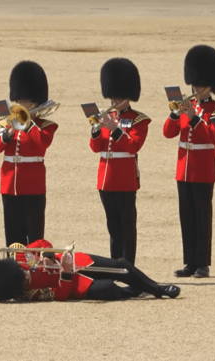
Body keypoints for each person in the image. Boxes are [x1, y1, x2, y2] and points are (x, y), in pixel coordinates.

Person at [163, 45, 215, 278]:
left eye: (201, 85)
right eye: (195, 84)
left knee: (202, 216)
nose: (197, 88)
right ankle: (190, 262)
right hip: (184, 168)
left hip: (202, 169)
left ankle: (203, 262)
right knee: (187, 217)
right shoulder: (186, 106)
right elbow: (168, 133)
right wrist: (175, 114)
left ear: (211, 86)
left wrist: (193, 120)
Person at [0, 61, 58, 247]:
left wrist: (28, 124)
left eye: (25, 102)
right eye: (19, 101)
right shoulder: (8, 122)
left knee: (34, 239)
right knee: (13, 237)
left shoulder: (45, 125)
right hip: (10, 185)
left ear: (35, 103)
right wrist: (7, 134)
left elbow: (42, 143)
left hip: (33, 186)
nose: (21, 105)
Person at [89, 58, 151, 266]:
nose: (113, 100)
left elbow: (133, 146)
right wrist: (96, 131)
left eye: (117, 96)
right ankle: (116, 266)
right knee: (113, 228)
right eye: (112, 96)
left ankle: (128, 267)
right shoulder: (107, 117)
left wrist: (115, 130)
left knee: (126, 228)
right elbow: (96, 148)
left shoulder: (138, 120)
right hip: (105, 179)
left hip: (124, 180)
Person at [0, 239, 181, 302]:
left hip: (75, 260)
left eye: (22, 272)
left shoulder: (19, 256)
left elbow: (42, 243)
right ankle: (134, 291)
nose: (26, 274)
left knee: (121, 266)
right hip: (75, 284)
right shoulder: (29, 293)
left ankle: (157, 289)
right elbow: (59, 294)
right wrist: (66, 274)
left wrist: (48, 256)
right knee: (109, 289)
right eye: (23, 277)